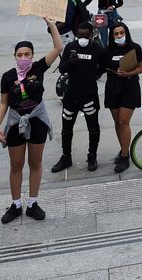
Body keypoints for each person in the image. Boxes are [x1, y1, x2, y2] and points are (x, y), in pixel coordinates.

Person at [0, 19, 63, 222]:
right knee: (16, 164)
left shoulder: (38, 68)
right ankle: (15, 204)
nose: (23, 58)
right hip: (16, 122)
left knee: (35, 162)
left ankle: (32, 202)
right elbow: (3, 103)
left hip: (37, 120)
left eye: (27, 54)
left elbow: (58, 47)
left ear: (32, 56)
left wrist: (51, 25)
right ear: (14, 57)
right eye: (20, 55)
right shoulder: (7, 77)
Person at [50, 20, 107, 173]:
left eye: (85, 35)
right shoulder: (70, 47)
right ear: (76, 34)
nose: (82, 38)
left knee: (93, 127)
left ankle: (92, 156)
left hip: (89, 95)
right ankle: (66, 156)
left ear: (91, 35)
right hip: (71, 95)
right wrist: (70, 62)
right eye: (80, 35)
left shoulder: (97, 49)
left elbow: (103, 66)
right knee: (66, 128)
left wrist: (94, 75)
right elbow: (61, 69)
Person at [102, 19, 142, 174]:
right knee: (117, 122)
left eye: (122, 33)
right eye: (116, 34)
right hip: (113, 88)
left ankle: (125, 155)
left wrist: (128, 73)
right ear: (112, 36)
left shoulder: (134, 48)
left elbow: (141, 68)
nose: (119, 35)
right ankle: (123, 149)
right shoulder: (107, 51)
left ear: (126, 33)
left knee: (123, 121)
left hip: (129, 87)